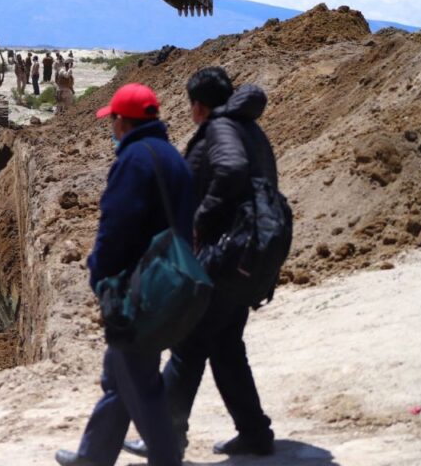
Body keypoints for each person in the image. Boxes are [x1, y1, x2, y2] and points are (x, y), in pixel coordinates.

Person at [123, 67, 276, 459]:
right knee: (226, 347)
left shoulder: (221, 129)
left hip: (223, 259)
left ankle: (165, 437)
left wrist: (200, 220)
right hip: (244, 260)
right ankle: (256, 435)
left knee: (187, 345)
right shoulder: (249, 130)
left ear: (199, 105)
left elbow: (230, 171)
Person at [55, 83, 193, 466]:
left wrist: (100, 276)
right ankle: (93, 456)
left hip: (139, 288)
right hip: (167, 282)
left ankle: (166, 459)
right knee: (119, 376)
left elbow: (116, 227)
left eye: (111, 120)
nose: (110, 127)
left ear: (121, 120)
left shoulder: (134, 161)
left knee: (140, 384)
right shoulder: (171, 155)